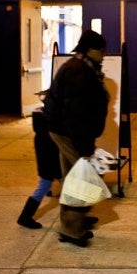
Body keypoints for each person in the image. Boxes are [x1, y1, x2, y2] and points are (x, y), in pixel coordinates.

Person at [45, 29, 110, 247]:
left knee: (73, 176)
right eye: (101, 50)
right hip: (69, 132)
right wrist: (84, 146)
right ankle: (72, 230)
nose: (104, 54)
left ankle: (74, 220)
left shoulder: (83, 67)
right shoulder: (78, 72)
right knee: (81, 178)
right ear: (90, 50)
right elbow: (76, 112)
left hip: (65, 130)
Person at [16, 93, 62, 229]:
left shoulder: (41, 122)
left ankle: (79, 217)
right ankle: (25, 217)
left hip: (50, 164)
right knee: (47, 187)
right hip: (51, 164)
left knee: (64, 186)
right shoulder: (49, 126)